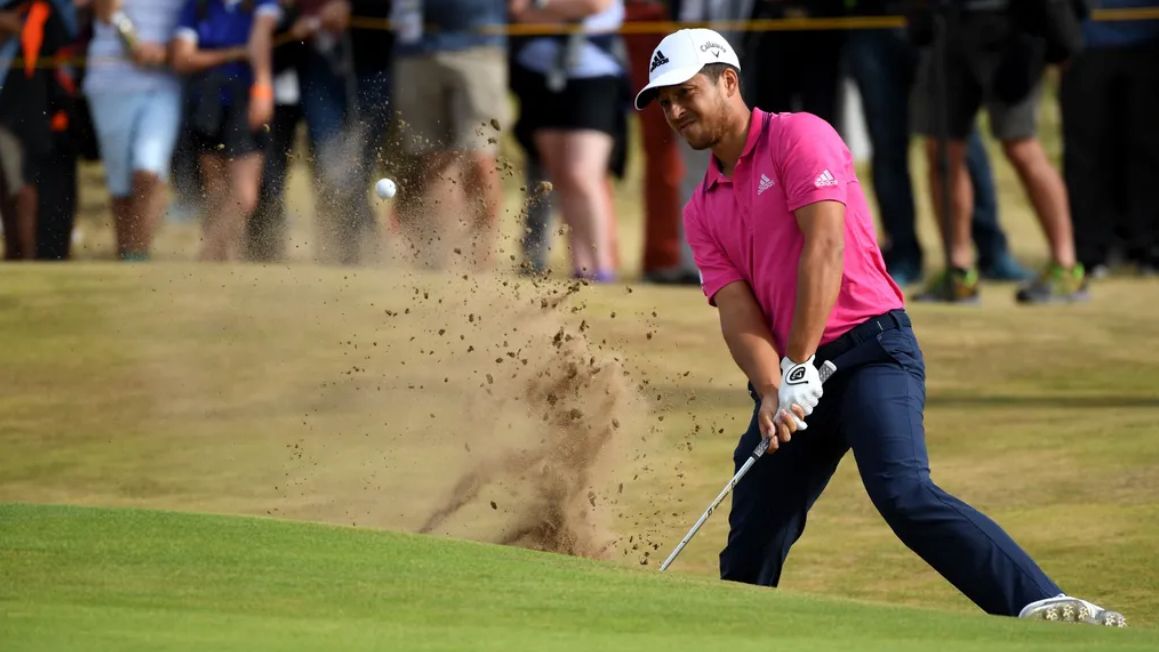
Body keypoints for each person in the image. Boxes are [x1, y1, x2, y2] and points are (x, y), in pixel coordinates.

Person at [634, 27, 1126, 625]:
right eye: (665, 102)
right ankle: (735, 631)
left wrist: (796, 364)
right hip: (795, 376)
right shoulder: (703, 205)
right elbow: (738, 309)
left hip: (871, 351)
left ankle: (1043, 603)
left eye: (685, 93)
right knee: (756, 524)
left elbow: (825, 249)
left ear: (728, 82)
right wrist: (772, 388)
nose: (676, 111)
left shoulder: (800, 136)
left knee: (903, 493)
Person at [842, 0, 1027, 286]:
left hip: (942, 22)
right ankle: (903, 254)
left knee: (960, 143)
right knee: (888, 145)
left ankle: (990, 249)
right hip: (872, 24)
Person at [912, 1, 1084, 303]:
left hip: (1014, 25)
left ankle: (1066, 266)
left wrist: (1058, 33)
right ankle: (959, 270)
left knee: (1020, 145)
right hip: (950, 20)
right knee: (941, 150)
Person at [509, 0, 627, 282]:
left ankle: (603, 267)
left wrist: (546, 6)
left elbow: (596, 5)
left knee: (583, 174)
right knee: (561, 177)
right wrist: (568, 12)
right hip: (541, 75)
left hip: (593, 77)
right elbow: (521, 12)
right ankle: (581, 266)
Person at [391, 0, 507, 269]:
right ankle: (446, 259)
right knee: (434, 160)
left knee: (479, 156)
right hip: (416, 49)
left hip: (478, 46)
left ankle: (481, 260)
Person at [172, 0, 279, 262]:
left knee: (244, 197)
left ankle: (209, 256)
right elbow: (182, 58)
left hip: (245, 103)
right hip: (208, 105)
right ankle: (220, 262)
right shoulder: (199, 7)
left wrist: (263, 87)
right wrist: (233, 54)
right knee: (216, 193)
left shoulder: (261, 6)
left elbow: (260, 39)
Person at [1061, 0, 1159, 275]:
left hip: (1151, 36)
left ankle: (1147, 244)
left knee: (1147, 150)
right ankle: (1091, 248)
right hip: (1086, 37)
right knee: (1086, 153)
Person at [86, 0, 185, 261]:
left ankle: (137, 256)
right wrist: (133, 42)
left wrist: (168, 51)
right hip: (111, 84)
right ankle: (125, 257)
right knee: (121, 185)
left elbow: (192, 19)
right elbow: (106, 10)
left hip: (163, 82)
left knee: (148, 171)